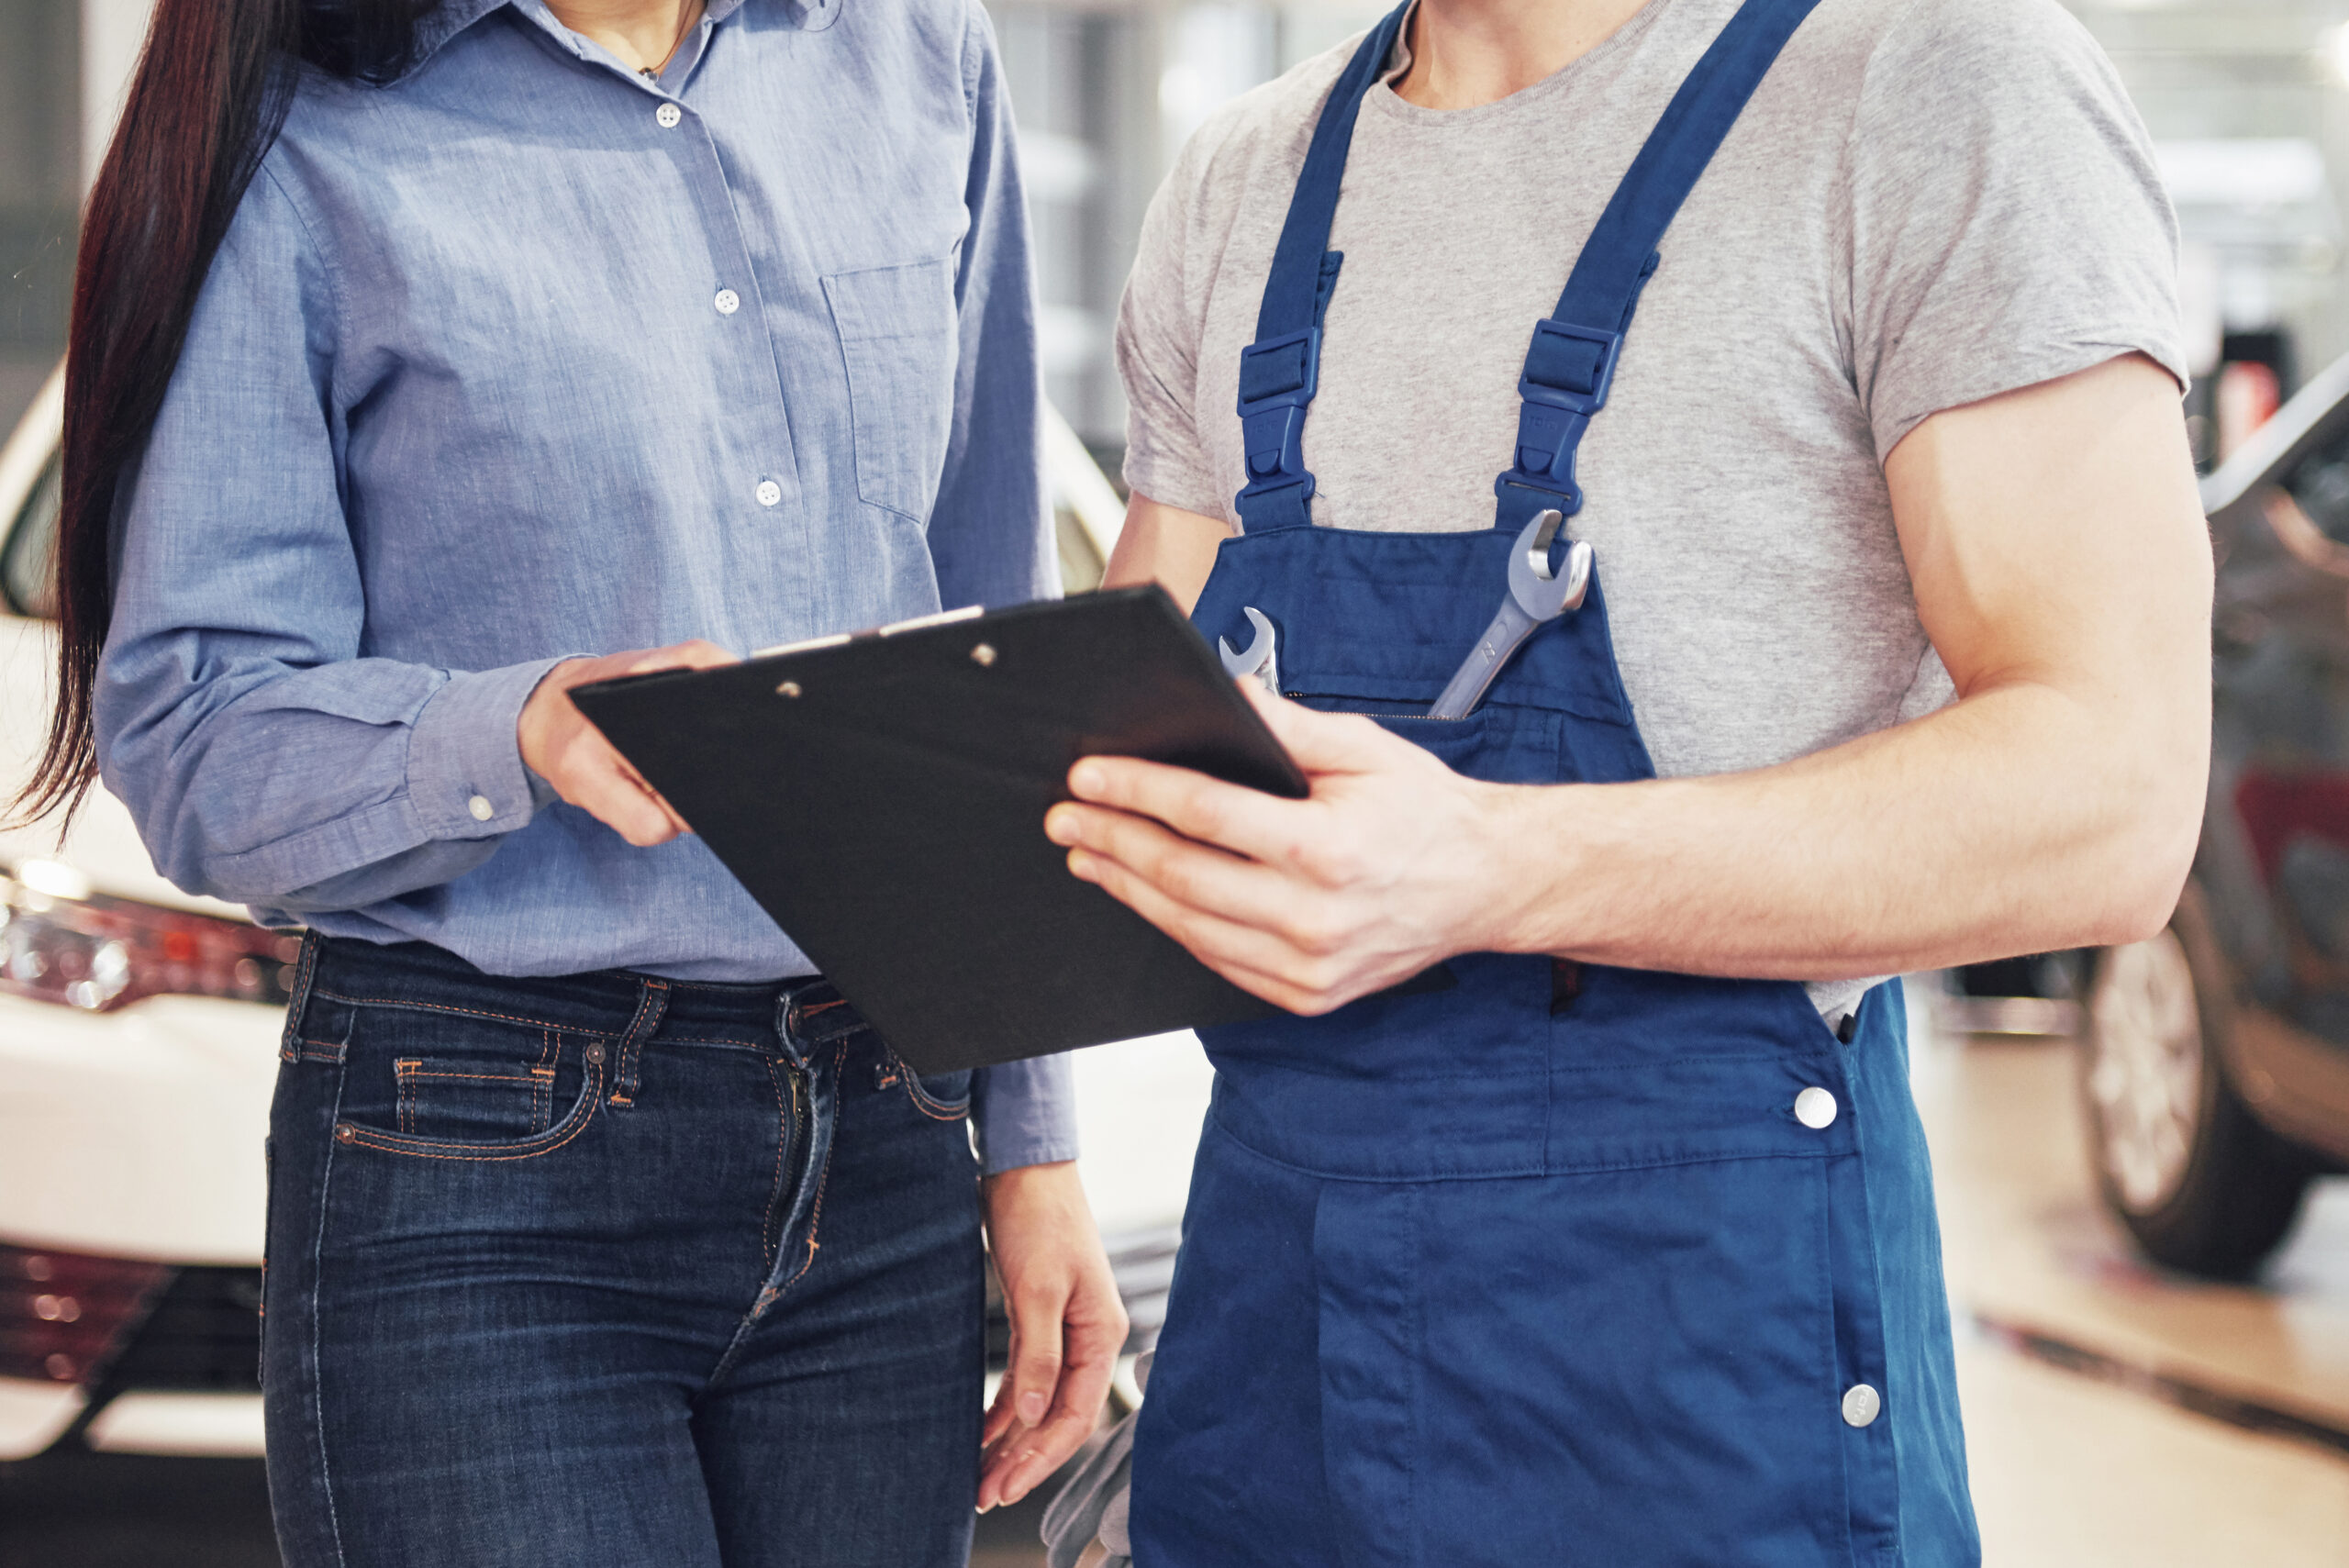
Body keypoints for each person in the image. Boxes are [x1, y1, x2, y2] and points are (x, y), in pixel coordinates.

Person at [1042, 0, 2210, 1560]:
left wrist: (1485, 868)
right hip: (1272, 1382)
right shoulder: (1243, 179)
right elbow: (1135, 769)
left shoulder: (1930, 83)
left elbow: (2114, 795)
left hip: (1690, 1393)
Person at [23, 1, 1124, 1562]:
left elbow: (999, 662)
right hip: (480, 1160)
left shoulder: (917, 51)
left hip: (883, 1148)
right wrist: (514, 729)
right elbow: (196, 728)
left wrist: (1033, 1144)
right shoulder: (305, 129)